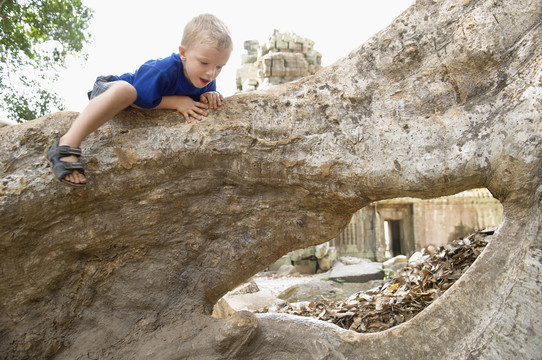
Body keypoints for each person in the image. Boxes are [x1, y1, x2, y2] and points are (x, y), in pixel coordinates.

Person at [45, 13, 233, 187]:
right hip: (110, 89)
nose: (211, 73)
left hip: (128, 98)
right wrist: (177, 102)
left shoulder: (205, 79)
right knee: (127, 92)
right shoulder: (162, 69)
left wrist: (210, 95)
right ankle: (66, 144)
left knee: (128, 93)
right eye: (204, 63)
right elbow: (139, 99)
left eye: (219, 67)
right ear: (183, 53)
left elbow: (200, 96)